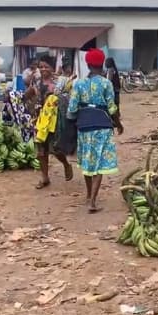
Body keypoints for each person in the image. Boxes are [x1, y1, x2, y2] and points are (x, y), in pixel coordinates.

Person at [68, 48, 123, 213]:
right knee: (98, 165)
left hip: (84, 126)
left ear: (88, 64)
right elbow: (112, 107)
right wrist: (118, 124)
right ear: (101, 64)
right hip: (102, 126)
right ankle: (92, 201)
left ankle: (88, 196)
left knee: (87, 162)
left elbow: (72, 108)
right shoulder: (106, 83)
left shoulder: (79, 84)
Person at [31, 54, 74, 189]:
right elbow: (31, 94)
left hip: (55, 120)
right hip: (39, 119)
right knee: (40, 150)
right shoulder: (36, 81)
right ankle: (45, 177)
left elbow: (69, 98)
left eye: (46, 67)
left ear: (52, 67)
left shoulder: (59, 82)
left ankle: (66, 164)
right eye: (41, 67)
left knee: (55, 148)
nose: (43, 69)